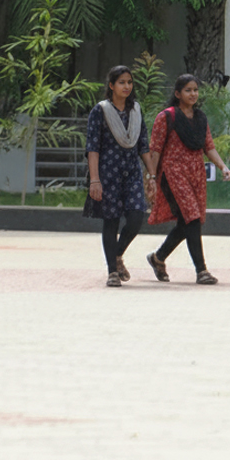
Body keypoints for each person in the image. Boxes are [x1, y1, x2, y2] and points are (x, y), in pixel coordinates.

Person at [76, 53, 148, 287]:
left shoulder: (136, 111)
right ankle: (112, 272)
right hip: (108, 172)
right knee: (111, 221)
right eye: (121, 82)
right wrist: (95, 180)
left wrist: (152, 175)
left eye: (129, 82)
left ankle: (117, 255)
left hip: (132, 173)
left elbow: (143, 145)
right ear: (111, 85)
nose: (126, 86)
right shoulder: (101, 110)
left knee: (136, 217)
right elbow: (92, 147)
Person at [145, 74, 221, 284]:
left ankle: (158, 258)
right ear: (178, 94)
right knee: (192, 218)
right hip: (173, 173)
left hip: (195, 175)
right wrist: (151, 177)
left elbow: (209, 146)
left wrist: (222, 166)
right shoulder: (166, 117)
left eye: (195, 90)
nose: (193, 94)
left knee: (187, 222)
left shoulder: (200, 118)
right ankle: (201, 271)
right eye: (188, 90)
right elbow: (156, 149)